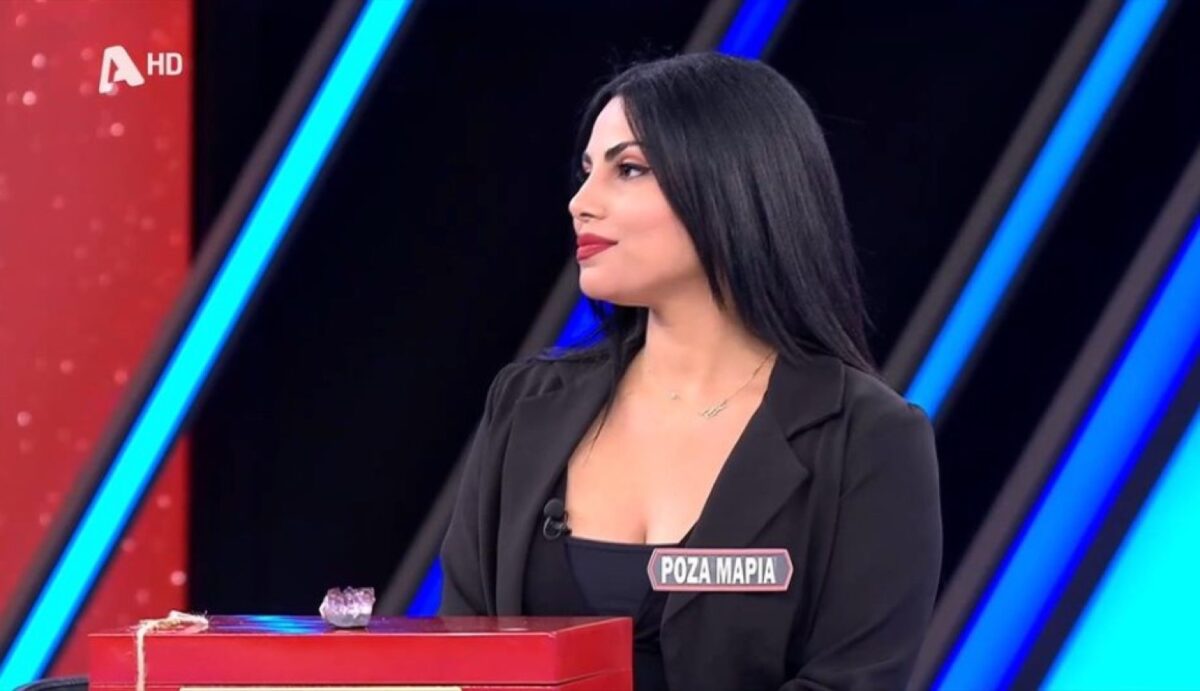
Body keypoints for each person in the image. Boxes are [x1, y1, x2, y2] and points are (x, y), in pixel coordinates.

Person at [438, 52, 942, 691]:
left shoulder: (867, 439)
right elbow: (464, 660)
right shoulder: (525, 405)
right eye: (587, 172)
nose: (580, 203)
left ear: (731, 184)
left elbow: (851, 680)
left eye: (628, 169)